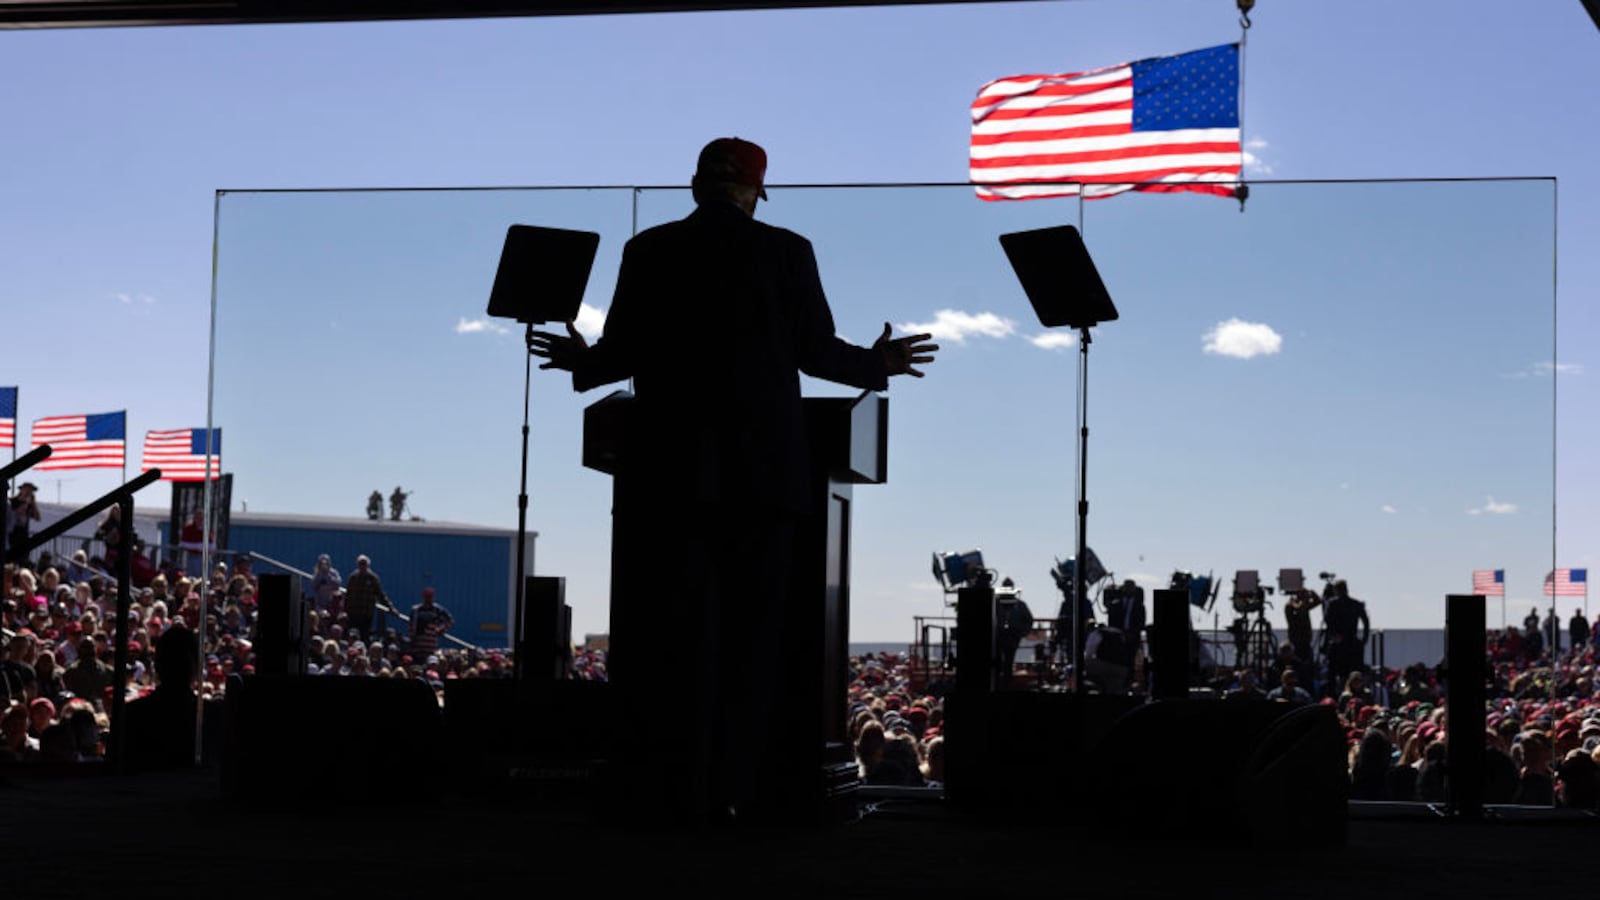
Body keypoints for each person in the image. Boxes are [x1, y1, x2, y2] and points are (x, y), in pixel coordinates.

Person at [528, 137, 937, 825]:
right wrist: (879, 364)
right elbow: (814, 353)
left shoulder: (648, 251)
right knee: (752, 648)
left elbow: (620, 354)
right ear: (754, 192)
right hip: (764, 484)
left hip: (667, 483)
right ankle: (737, 796)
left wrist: (581, 361)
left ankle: (672, 794)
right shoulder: (787, 251)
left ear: (695, 187)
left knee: (673, 643)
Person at [1322, 579, 1369, 693]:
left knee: (1332, 675)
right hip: (1352, 643)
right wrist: (1363, 640)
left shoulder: (1333, 603)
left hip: (1339, 644)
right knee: (1355, 674)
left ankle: (1332, 697)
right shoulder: (1356, 604)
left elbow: (1328, 622)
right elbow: (1366, 622)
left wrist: (1333, 636)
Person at [994, 578, 1034, 689]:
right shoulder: (995, 603)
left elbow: (1029, 620)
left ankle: (1005, 685)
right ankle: (997, 685)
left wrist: (1021, 632)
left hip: (1012, 637)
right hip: (998, 636)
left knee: (1008, 662)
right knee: (997, 662)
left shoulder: (1020, 605)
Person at [343, 554, 386, 641]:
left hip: (366, 613)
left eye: (364, 564)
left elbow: (380, 594)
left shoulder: (373, 578)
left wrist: (391, 608)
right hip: (353, 613)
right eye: (360, 564)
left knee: (364, 636)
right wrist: (345, 610)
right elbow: (348, 595)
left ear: (368, 565)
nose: (362, 566)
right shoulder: (353, 577)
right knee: (352, 635)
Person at [408, 587, 452, 659]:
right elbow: (411, 627)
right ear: (423, 597)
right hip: (417, 646)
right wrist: (412, 639)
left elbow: (450, 620)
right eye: (426, 597)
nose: (428, 599)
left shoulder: (437, 610)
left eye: (430, 597)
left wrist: (441, 629)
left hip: (430, 646)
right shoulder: (416, 610)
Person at [6, 481, 40, 566]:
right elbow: (13, 513)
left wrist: (33, 503)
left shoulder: (30, 504)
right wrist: (24, 503)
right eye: (27, 489)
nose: (29, 492)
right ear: (22, 490)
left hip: (23, 535)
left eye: (31, 490)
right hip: (12, 534)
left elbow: (37, 517)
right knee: (11, 559)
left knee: (23, 559)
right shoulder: (12, 501)